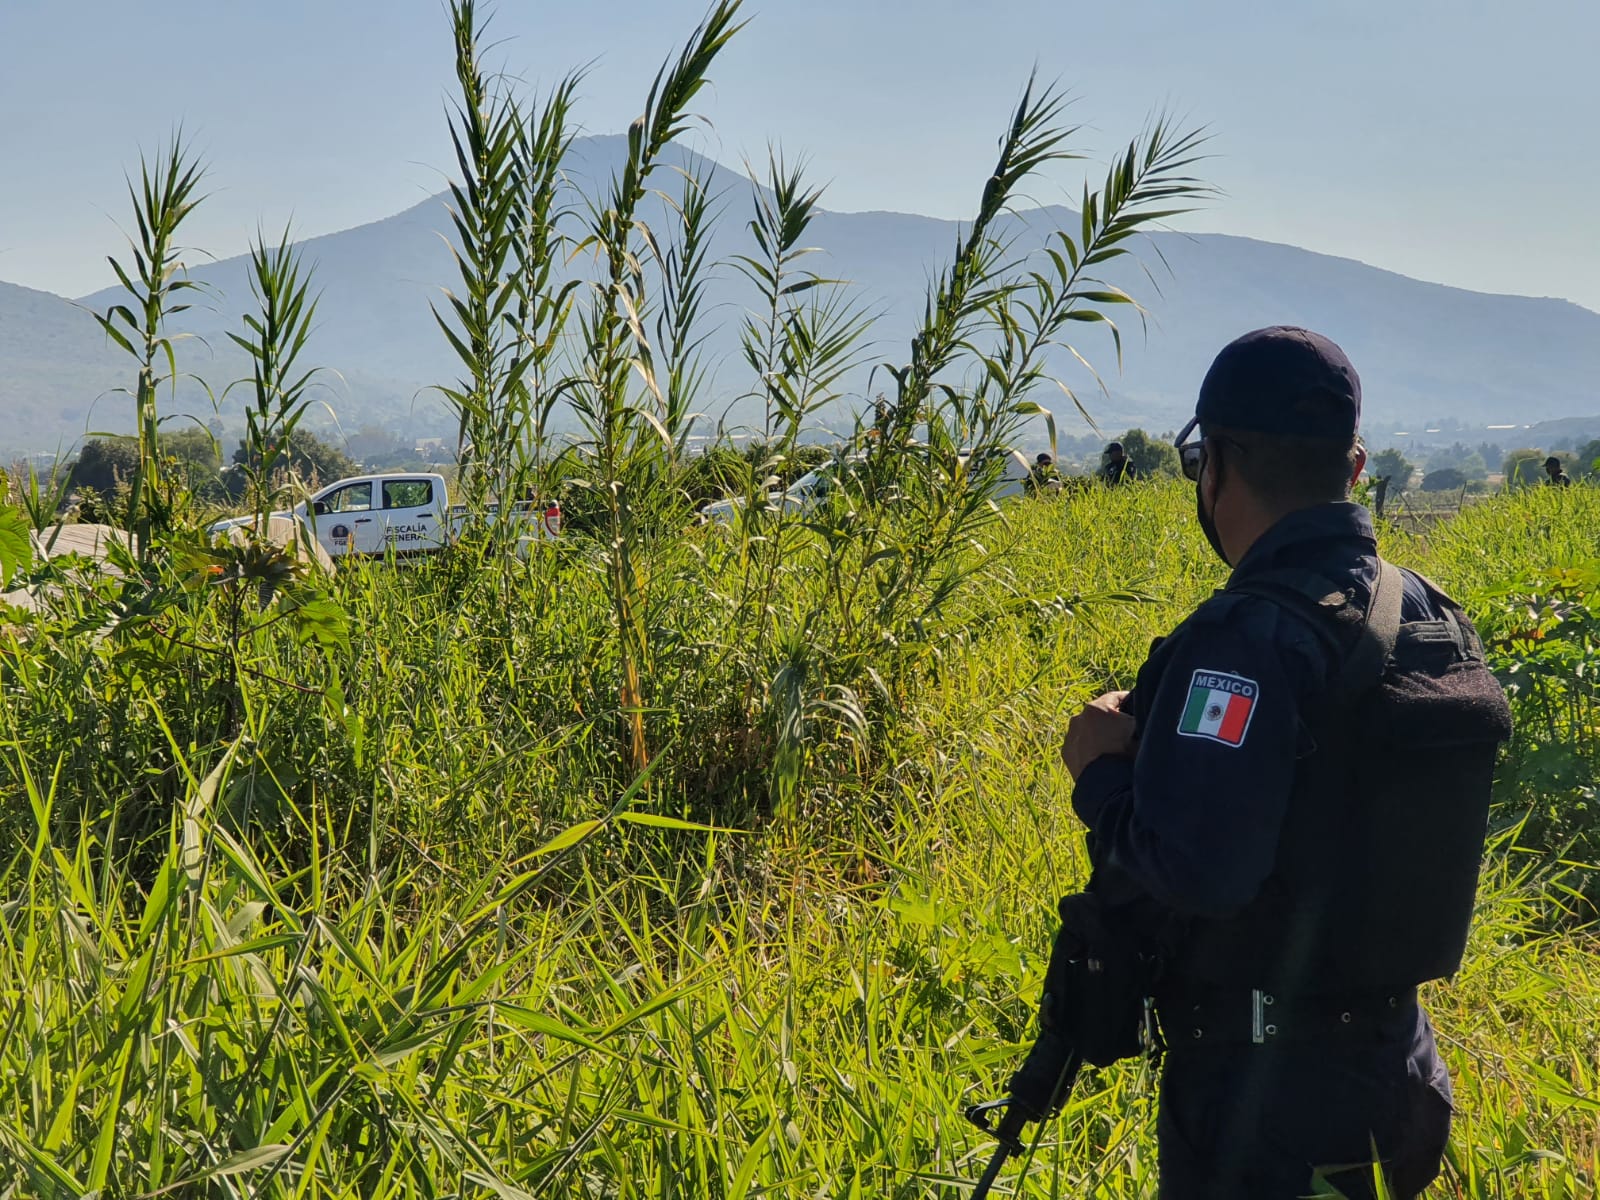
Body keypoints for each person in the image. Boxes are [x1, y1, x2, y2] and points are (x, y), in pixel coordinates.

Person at [1057, 326, 1511, 1198]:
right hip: (1398, 1072)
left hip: (1265, 1107)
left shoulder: (1244, 637)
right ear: (1353, 467)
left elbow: (1199, 870)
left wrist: (1100, 773)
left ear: (1215, 464)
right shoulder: (1429, 611)